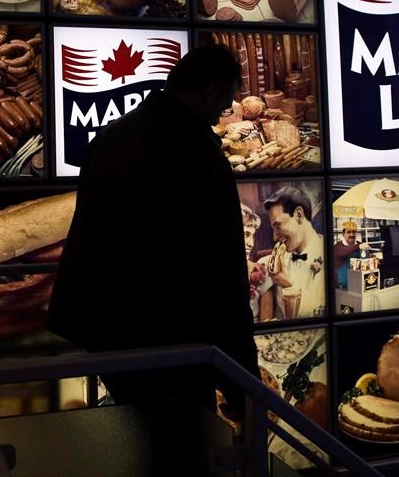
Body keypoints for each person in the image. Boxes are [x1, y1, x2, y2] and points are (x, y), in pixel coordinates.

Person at [47, 43, 259, 415]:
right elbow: (221, 268)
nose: (221, 114)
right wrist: (243, 381)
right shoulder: (198, 152)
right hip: (172, 336)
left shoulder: (111, 137)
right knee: (186, 444)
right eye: (223, 102)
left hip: (105, 330)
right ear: (210, 91)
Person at [263, 187, 326, 319]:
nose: (275, 237)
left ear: (298, 215)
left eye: (278, 226)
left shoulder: (329, 254)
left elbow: (325, 313)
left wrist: (289, 285)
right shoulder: (281, 260)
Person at [333, 220, 361, 289]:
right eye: (348, 232)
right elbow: (345, 251)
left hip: (357, 284)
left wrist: (373, 257)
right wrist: (358, 246)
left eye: (354, 232)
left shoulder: (359, 244)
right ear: (343, 234)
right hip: (342, 287)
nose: (351, 235)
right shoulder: (338, 246)